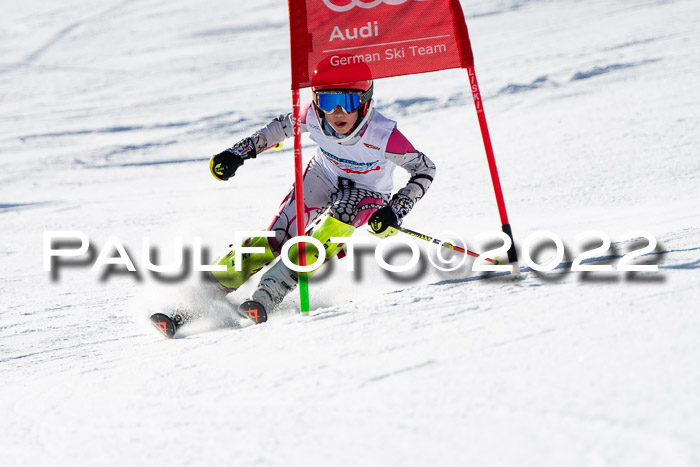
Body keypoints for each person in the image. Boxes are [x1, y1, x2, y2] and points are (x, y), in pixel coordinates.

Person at [206, 69, 436, 324]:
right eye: (327, 101)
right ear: (317, 102)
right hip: (323, 175)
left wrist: (396, 209)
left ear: (365, 102)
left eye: (348, 102)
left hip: (368, 191)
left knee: (334, 223)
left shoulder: (383, 135)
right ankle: (211, 287)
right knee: (278, 236)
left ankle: (269, 292)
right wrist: (237, 153)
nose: (337, 112)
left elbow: (425, 169)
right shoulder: (311, 115)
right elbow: (277, 130)